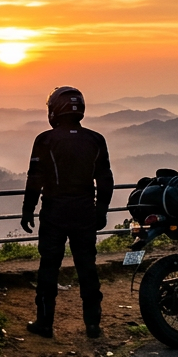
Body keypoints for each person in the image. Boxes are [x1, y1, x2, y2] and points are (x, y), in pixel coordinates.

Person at [20, 86, 114, 339]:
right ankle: (93, 325)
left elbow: (34, 179)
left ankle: (45, 323)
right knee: (87, 268)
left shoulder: (45, 140)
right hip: (85, 212)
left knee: (49, 267)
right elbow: (105, 180)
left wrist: (27, 210)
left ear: (55, 110)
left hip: (54, 212)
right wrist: (101, 211)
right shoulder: (96, 140)